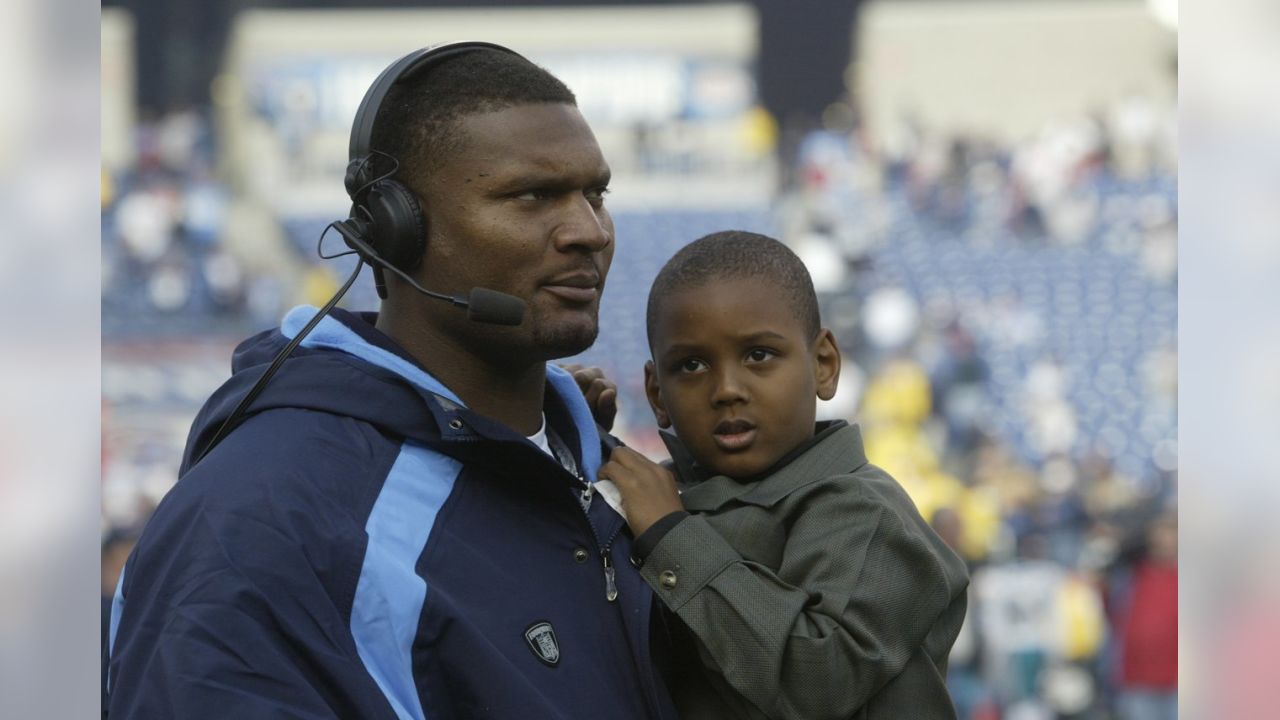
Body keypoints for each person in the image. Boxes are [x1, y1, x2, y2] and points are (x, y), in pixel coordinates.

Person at [105, 44, 679, 719]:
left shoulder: (606, 474)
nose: (590, 230)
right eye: (532, 196)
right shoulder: (259, 518)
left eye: (596, 194)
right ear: (396, 231)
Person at [598, 230, 971, 719]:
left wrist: (672, 538)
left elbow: (819, 683)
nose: (726, 389)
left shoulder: (866, 513)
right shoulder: (662, 498)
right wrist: (580, 442)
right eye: (691, 365)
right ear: (656, 394)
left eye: (758, 355)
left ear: (823, 364)